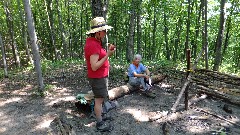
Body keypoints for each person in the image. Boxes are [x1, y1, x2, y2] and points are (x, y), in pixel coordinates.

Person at [84, 17, 115, 132]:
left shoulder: (95, 42)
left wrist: (107, 51)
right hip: (97, 78)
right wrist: (108, 54)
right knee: (98, 100)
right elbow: (94, 66)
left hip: (100, 77)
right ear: (97, 32)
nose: (105, 33)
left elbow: (98, 57)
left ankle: (101, 116)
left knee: (100, 99)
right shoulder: (93, 45)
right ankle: (99, 123)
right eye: (104, 31)